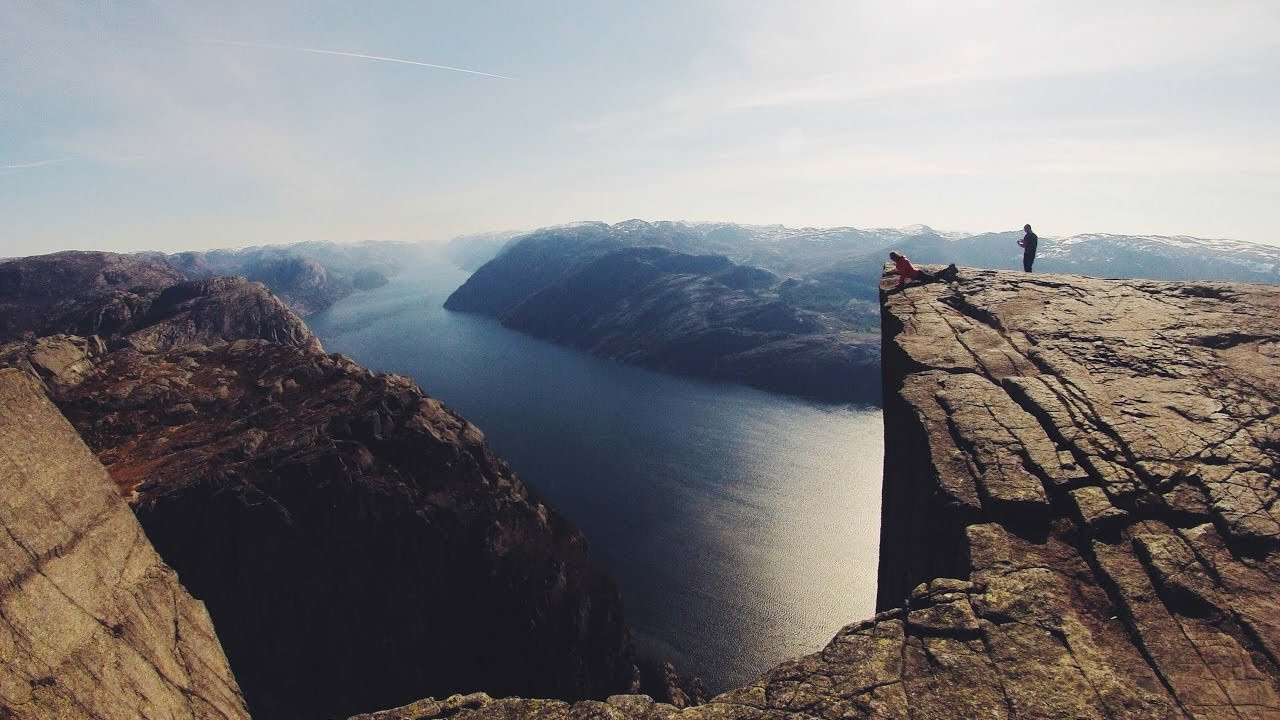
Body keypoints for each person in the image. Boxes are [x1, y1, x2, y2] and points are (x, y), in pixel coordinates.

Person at [889, 251, 956, 288]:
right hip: (917, 274)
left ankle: (950, 269)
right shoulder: (900, 262)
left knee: (935, 278)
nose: (892, 259)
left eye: (892, 258)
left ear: (895, 257)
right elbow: (904, 272)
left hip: (918, 275)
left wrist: (900, 283)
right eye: (891, 258)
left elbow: (903, 273)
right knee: (934, 275)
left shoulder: (903, 261)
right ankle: (949, 269)